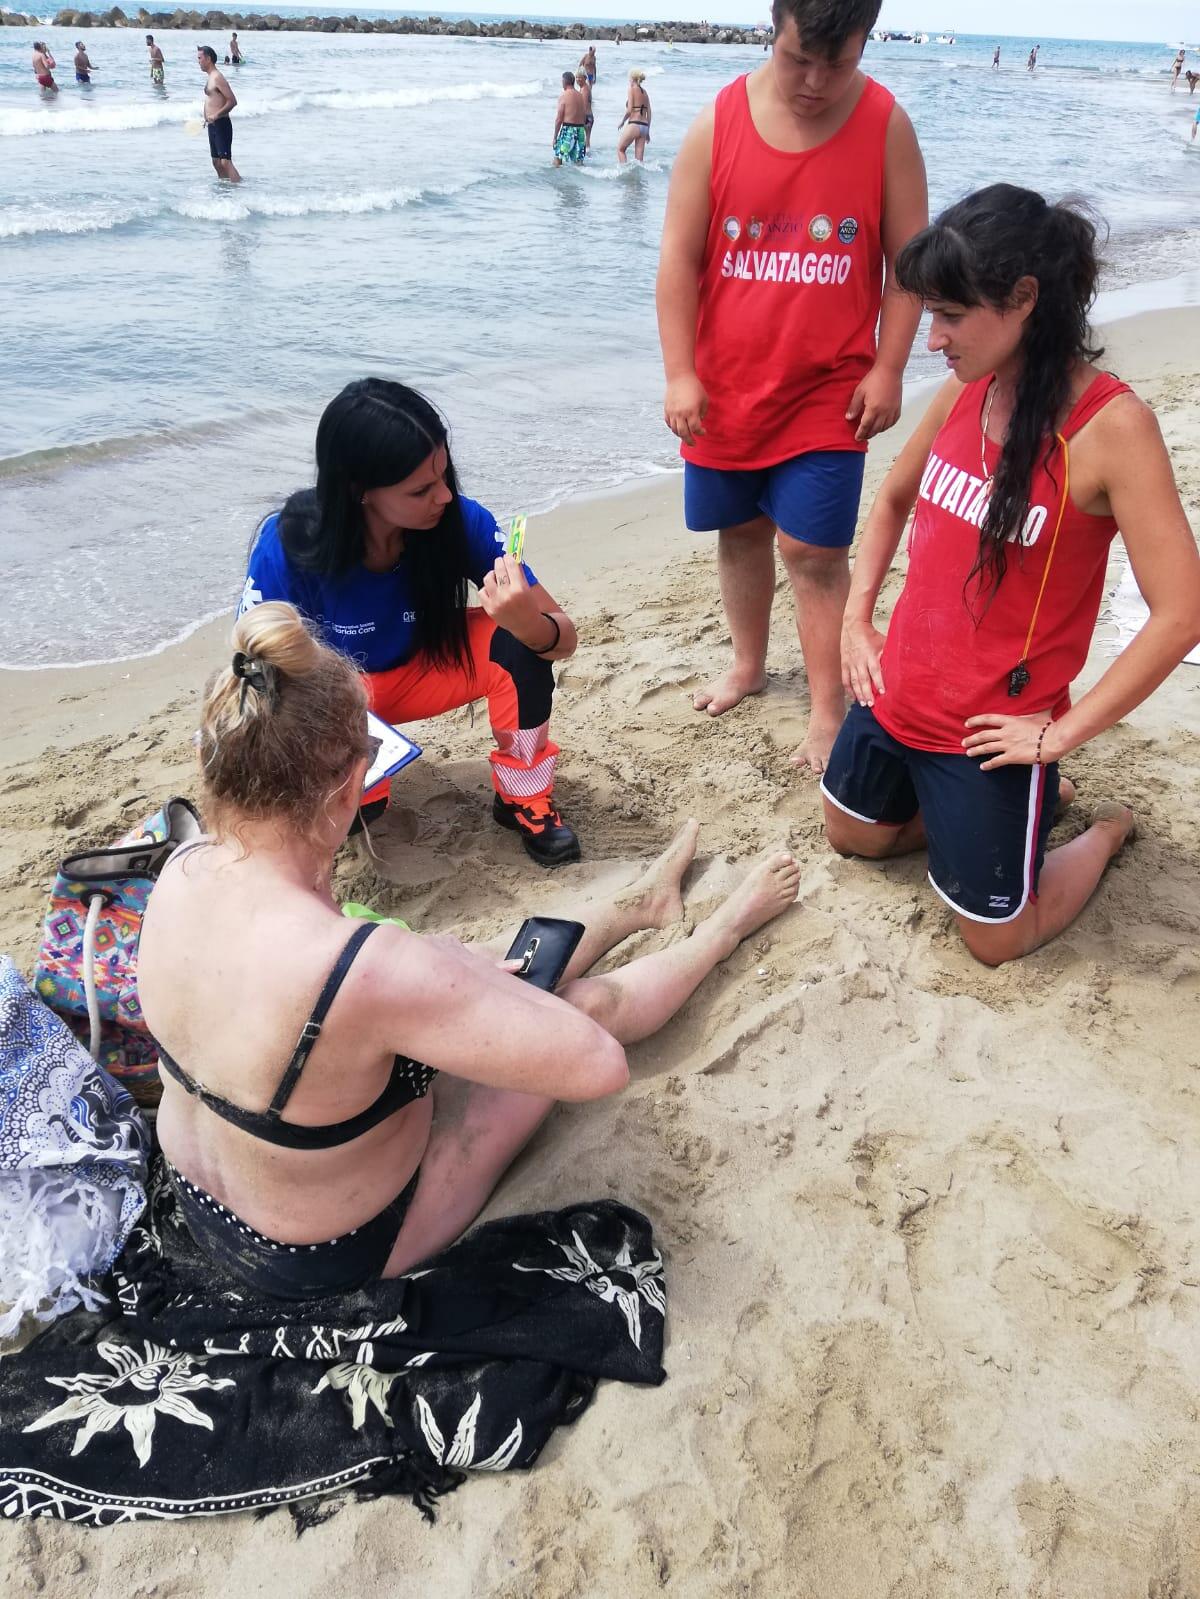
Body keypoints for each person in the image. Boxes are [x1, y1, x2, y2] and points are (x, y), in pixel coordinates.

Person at [136, 601, 801, 1296]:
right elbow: (596, 1065)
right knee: (583, 1003)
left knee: (485, 967)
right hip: (329, 1249)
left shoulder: (179, 868)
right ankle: (724, 928)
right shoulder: (365, 965)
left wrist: (448, 972)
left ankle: (638, 907)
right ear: (341, 793)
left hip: (202, 1196)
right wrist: (450, 967)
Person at [822, 184, 1200, 966]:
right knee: (851, 834)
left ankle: (1101, 830)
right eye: (932, 314)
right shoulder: (968, 389)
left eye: (952, 316)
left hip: (990, 734)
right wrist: (859, 618)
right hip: (901, 693)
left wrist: (1061, 732)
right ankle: (1030, 808)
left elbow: (1182, 612)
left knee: (996, 940)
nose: (933, 339)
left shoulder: (1112, 427)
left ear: (1025, 298)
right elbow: (891, 499)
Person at [655, 0, 928, 772]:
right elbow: (678, 259)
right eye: (796, 58)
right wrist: (680, 372)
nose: (814, 82)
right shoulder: (718, 124)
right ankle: (747, 664)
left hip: (830, 387)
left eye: (836, 63)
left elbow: (908, 265)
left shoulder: (885, 126)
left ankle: (826, 706)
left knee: (812, 548)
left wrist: (889, 365)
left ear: (865, 43)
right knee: (738, 532)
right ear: (771, 30)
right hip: (725, 386)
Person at [239, 379, 583, 866]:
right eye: (421, 489)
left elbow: (563, 637)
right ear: (358, 491)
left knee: (514, 643)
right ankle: (362, 785)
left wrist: (528, 622)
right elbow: (257, 678)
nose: (444, 496)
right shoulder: (290, 546)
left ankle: (523, 796)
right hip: (337, 697)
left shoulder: (460, 522)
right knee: (360, 814)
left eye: (445, 475)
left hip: (425, 668)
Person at [198, 45, 241, 183]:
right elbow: (212, 100)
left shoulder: (217, 77)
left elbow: (232, 101)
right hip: (212, 125)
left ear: (208, 59)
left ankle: (239, 188)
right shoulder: (210, 77)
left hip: (221, 123)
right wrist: (207, 117)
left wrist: (216, 115)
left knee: (225, 162)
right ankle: (225, 192)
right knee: (216, 162)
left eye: (200, 58)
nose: (198, 61)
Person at [553, 70, 587, 166]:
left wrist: (555, 137)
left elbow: (559, 119)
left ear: (564, 82)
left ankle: (556, 180)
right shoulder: (580, 96)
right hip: (580, 130)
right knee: (578, 161)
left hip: (568, 130)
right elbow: (584, 116)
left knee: (558, 157)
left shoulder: (564, 96)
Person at [617, 68, 651, 164]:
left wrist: (622, 121)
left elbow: (629, 110)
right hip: (644, 126)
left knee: (620, 149)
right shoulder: (645, 93)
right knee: (639, 161)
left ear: (632, 78)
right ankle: (637, 178)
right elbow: (649, 113)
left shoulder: (631, 89)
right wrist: (648, 131)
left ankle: (624, 173)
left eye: (629, 79)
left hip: (634, 124)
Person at [577, 68, 594, 152]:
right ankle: (588, 156)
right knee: (586, 139)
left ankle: (586, 156)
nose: (578, 79)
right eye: (576, 77)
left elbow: (583, 105)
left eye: (580, 77)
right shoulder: (584, 88)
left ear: (585, 78)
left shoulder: (585, 89)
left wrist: (581, 119)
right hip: (588, 116)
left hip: (586, 117)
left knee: (584, 139)